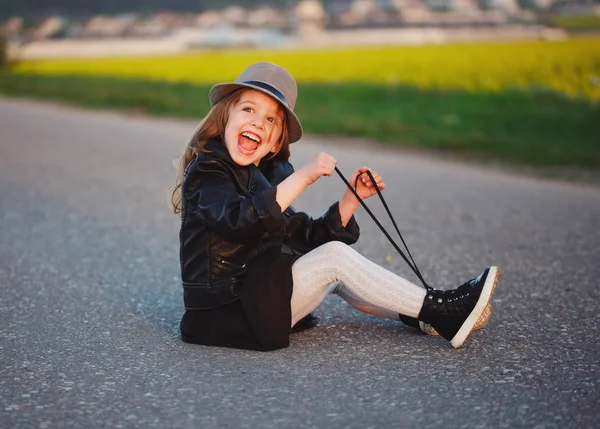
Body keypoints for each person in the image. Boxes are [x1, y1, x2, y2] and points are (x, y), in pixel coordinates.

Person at [170, 62, 500, 352]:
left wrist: (349, 200)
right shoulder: (208, 171)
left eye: (270, 119)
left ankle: (428, 315)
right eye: (248, 110)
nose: (258, 122)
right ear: (224, 119)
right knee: (334, 261)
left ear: (273, 144)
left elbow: (303, 239)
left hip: (255, 296)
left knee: (333, 263)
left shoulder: (263, 179)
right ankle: (441, 310)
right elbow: (239, 221)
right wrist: (302, 178)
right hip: (226, 312)